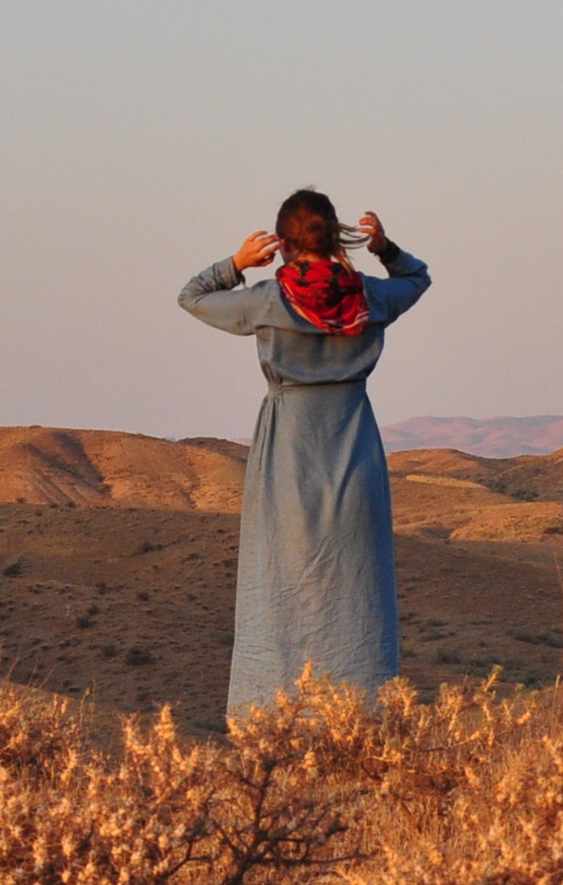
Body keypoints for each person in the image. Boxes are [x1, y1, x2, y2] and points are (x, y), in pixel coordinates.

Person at [178, 189, 431, 713]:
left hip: (287, 453)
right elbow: (416, 279)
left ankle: (276, 718)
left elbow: (192, 296)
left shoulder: (269, 299)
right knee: (358, 595)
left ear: (284, 245)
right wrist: (385, 248)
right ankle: (362, 717)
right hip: (355, 445)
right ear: (336, 235)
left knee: (279, 590)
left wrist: (236, 264)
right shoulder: (369, 297)